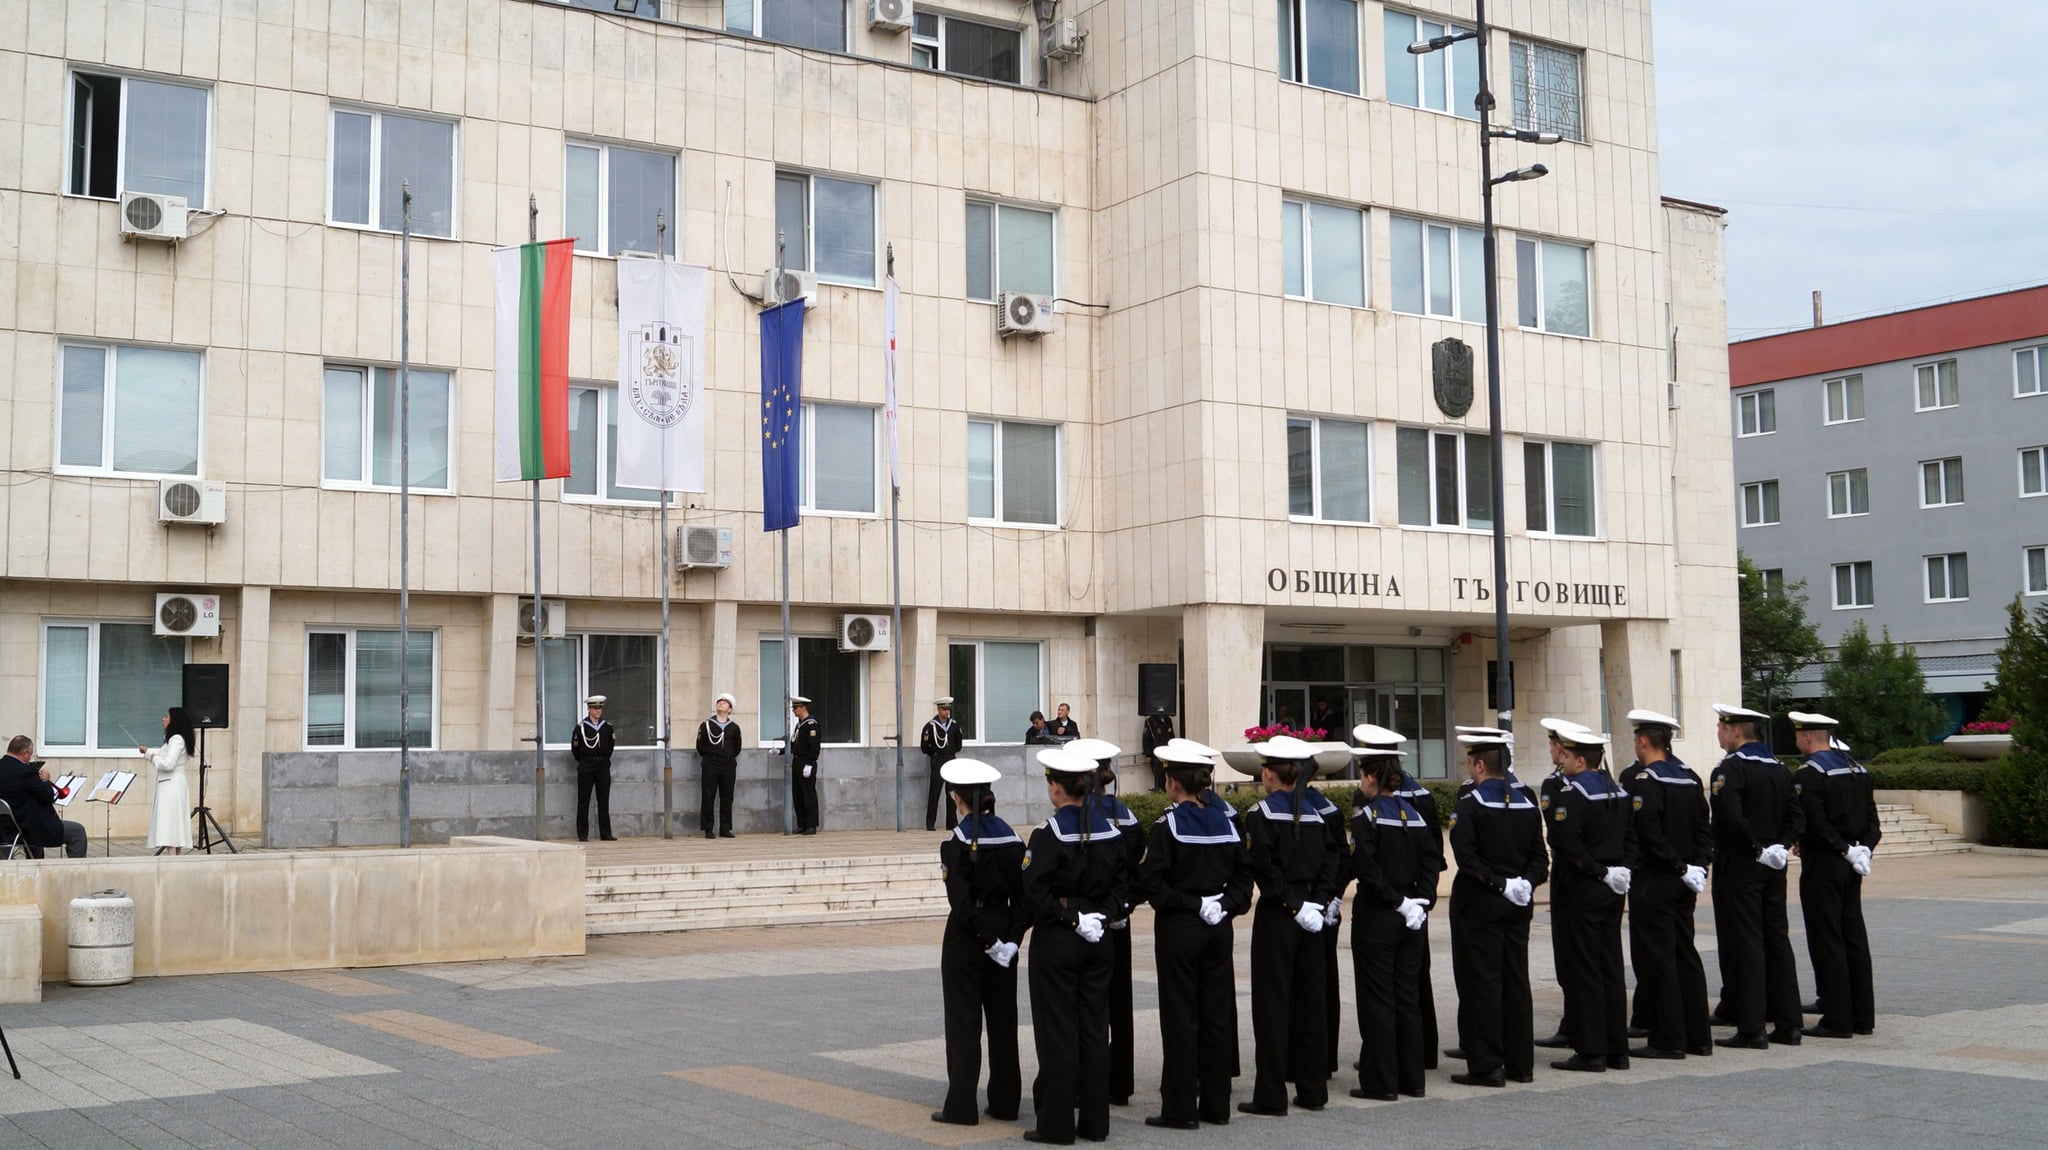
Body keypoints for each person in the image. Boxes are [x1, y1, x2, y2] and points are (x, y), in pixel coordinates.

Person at [1139, 743, 1252, 1129]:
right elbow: (1244, 877)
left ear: (1171, 782)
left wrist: (1192, 904)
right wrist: (1224, 905)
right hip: (1218, 928)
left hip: (1181, 929)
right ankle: (1217, 1106)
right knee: (1216, 1015)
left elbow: (1152, 884)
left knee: (1181, 1016)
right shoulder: (1226, 821)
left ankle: (1181, 1108)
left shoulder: (1167, 824)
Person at [1020, 748, 1128, 1145]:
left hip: (1061, 938)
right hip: (1099, 938)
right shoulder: (1110, 830)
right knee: (1095, 1031)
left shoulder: (1048, 834)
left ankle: (1057, 1124)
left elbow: (1034, 891)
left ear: (1055, 787)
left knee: (1058, 1032)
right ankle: (1096, 1124)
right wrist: (1100, 917)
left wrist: (1072, 919)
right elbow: (1122, 888)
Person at [1239, 736, 1342, 1117]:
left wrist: (1293, 904)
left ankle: (1271, 1093)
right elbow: (1334, 859)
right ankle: (1312, 1089)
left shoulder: (1260, 813)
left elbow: (1265, 869)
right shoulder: (1317, 813)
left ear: (1269, 773)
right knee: (1311, 1002)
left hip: (1280, 915)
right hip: (1312, 912)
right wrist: (1321, 901)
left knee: (1272, 1005)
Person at [932, 758, 1029, 1128]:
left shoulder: (955, 843)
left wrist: (986, 940)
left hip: (967, 937)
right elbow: (1025, 896)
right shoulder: (1012, 837)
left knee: (964, 1021)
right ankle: (1006, 1102)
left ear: (958, 799)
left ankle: (961, 1105)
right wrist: (1010, 939)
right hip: (1004, 928)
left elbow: (960, 901)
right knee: (1004, 1020)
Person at [1447, 732, 1547, 1088]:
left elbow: (1466, 857)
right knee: (1516, 980)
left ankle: (1487, 1064)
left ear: (1479, 764)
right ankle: (1521, 1063)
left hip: (1482, 901)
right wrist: (1524, 883)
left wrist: (1498, 883)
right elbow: (1540, 857)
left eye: (1470, 763)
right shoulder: (1526, 800)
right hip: (1518, 902)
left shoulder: (1471, 802)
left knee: (1484, 982)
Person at [1348, 748, 1444, 1101]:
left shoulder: (1367, 816)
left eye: (1362, 776)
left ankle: (1382, 1082)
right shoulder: (1414, 816)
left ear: (1371, 778)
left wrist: (1400, 901)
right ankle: (1411, 1078)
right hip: (1410, 916)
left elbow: (1368, 869)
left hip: (1380, 914)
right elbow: (1434, 857)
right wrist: (1422, 899)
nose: (1362, 783)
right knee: (1406, 997)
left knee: (1378, 999)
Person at [1619, 709, 1715, 1060]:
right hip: (1684, 880)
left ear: (1643, 741)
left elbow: (1650, 834)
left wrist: (1678, 867)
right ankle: (1698, 1037)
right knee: (1685, 955)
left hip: (1656, 881)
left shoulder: (1646, 781)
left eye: (1635, 739)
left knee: (1658, 960)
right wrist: (1698, 867)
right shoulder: (1689, 778)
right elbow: (1705, 829)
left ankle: (1669, 1039)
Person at [1709, 703, 1805, 1049]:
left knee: (1746, 943)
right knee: (1776, 940)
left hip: (1742, 865)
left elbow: (1730, 819)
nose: (1719, 733)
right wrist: (1779, 845)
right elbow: (1797, 816)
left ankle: (1751, 1027)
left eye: (1721, 727)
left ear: (1735, 731)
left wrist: (1757, 848)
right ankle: (1788, 1024)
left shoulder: (1731, 769)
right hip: (1772, 867)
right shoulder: (1779, 769)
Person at [1543, 722, 1635, 1073]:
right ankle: (1617, 1049)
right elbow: (1631, 838)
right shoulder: (1619, 792)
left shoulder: (1573, 794)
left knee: (1584, 971)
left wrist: (1598, 871)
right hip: (1612, 889)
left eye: (1566, 756)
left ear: (1580, 760)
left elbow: (1566, 844)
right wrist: (1620, 869)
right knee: (1609, 966)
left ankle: (1592, 1050)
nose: (1562, 762)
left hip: (1582, 889)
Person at [1789, 711, 1880, 1040]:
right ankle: (1862, 1016)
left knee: (1827, 938)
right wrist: (1863, 849)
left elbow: (1815, 821)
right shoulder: (1857, 769)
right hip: (1852, 863)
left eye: (1799, 735)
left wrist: (1842, 849)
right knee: (1853, 935)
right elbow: (1872, 819)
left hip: (1826, 863)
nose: (1797, 740)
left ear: (1809, 737)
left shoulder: (1810, 774)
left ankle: (1837, 1019)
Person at [1067, 738, 1142, 1107]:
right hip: (1118, 919)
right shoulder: (1125, 814)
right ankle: (1120, 1082)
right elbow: (1135, 866)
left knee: (1087, 1006)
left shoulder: (1078, 813)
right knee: (1120, 1003)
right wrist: (1121, 906)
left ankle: (1082, 1081)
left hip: (1083, 921)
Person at [1531, 718, 1586, 1050]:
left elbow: (1561, 834)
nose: (1552, 750)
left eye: (1554, 745)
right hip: (1572, 876)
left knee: (1574, 957)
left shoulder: (1562, 786)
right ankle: (1574, 1020)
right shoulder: (1556, 785)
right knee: (1570, 959)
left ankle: (1578, 1024)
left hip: (1572, 878)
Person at [0, 736, 88, 858]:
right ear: (25, 753)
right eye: (30, 754)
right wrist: (45, 780)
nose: (29, 758)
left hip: (4, 828)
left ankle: (35, 865)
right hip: (25, 828)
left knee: (34, 833)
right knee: (77, 832)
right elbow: (48, 797)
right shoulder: (26, 771)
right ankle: (77, 872)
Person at [144, 707, 196, 854]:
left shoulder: (176, 739)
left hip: (170, 785)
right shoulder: (176, 739)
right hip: (174, 784)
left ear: (174, 720)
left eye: (167, 717)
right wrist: (149, 754)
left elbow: (167, 764)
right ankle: (175, 859)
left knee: (169, 826)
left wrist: (152, 756)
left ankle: (171, 860)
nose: (163, 719)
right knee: (174, 825)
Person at [570, 695, 618, 842]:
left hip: (602, 766)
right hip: (587, 765)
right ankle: (583, 834)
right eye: (595, 708)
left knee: (603, 800)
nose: (598, 711)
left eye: (600, 708)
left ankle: (606, 834)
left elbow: (610, 747)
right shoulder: (581, 727)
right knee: (583, 800)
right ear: (589, 709)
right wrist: (585, 761)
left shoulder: (607, 727)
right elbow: (575, 750)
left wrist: (602, 760)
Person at [695, 693, 742, 839]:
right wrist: (711, 757)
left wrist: (727, 757)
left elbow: (737, 748)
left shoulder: (734, 727)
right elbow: (700, 746)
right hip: (711, 763)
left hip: (728, 764)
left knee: (727, 797)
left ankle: (725, 828)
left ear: (730, 709)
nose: (721, 703)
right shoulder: (706, 725)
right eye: (719, 702)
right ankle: (708, 829)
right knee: (708, 796)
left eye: (725, 702)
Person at [922, 697, 964, 832]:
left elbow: (958, 745)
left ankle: (951, 823)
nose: (947, 712)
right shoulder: (930, 726)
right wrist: (934, 755)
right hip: (937, 760)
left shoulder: (954, 725)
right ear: (938, 709)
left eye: (948, 709)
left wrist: (949, 753)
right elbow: (924, 747)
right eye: (944, 709)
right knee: (934, 792)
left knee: (951, 792)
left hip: (950, 759)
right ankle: (930, 823)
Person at [789, 696, 822, 835]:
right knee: (798, 794)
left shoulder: (811, 725)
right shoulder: (799, 725)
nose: (794, 711)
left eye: (795, 708)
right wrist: (780, 751)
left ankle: (811, 825)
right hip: (796, 761)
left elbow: (814, 746)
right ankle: (801, 823)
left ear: (803, 708)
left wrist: (809, 763)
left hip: (806, 761)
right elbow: (794, 744)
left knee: (808, 794)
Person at [1141, 711, 1176, 792]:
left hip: (1167, 753)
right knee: (1158, 775)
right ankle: (1159, 791)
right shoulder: (1150, 721)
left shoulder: (1168, 720)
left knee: (1167, 775)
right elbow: (1146, 739)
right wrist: (1147, 754)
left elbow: (1171, 736)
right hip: (1156, 754)